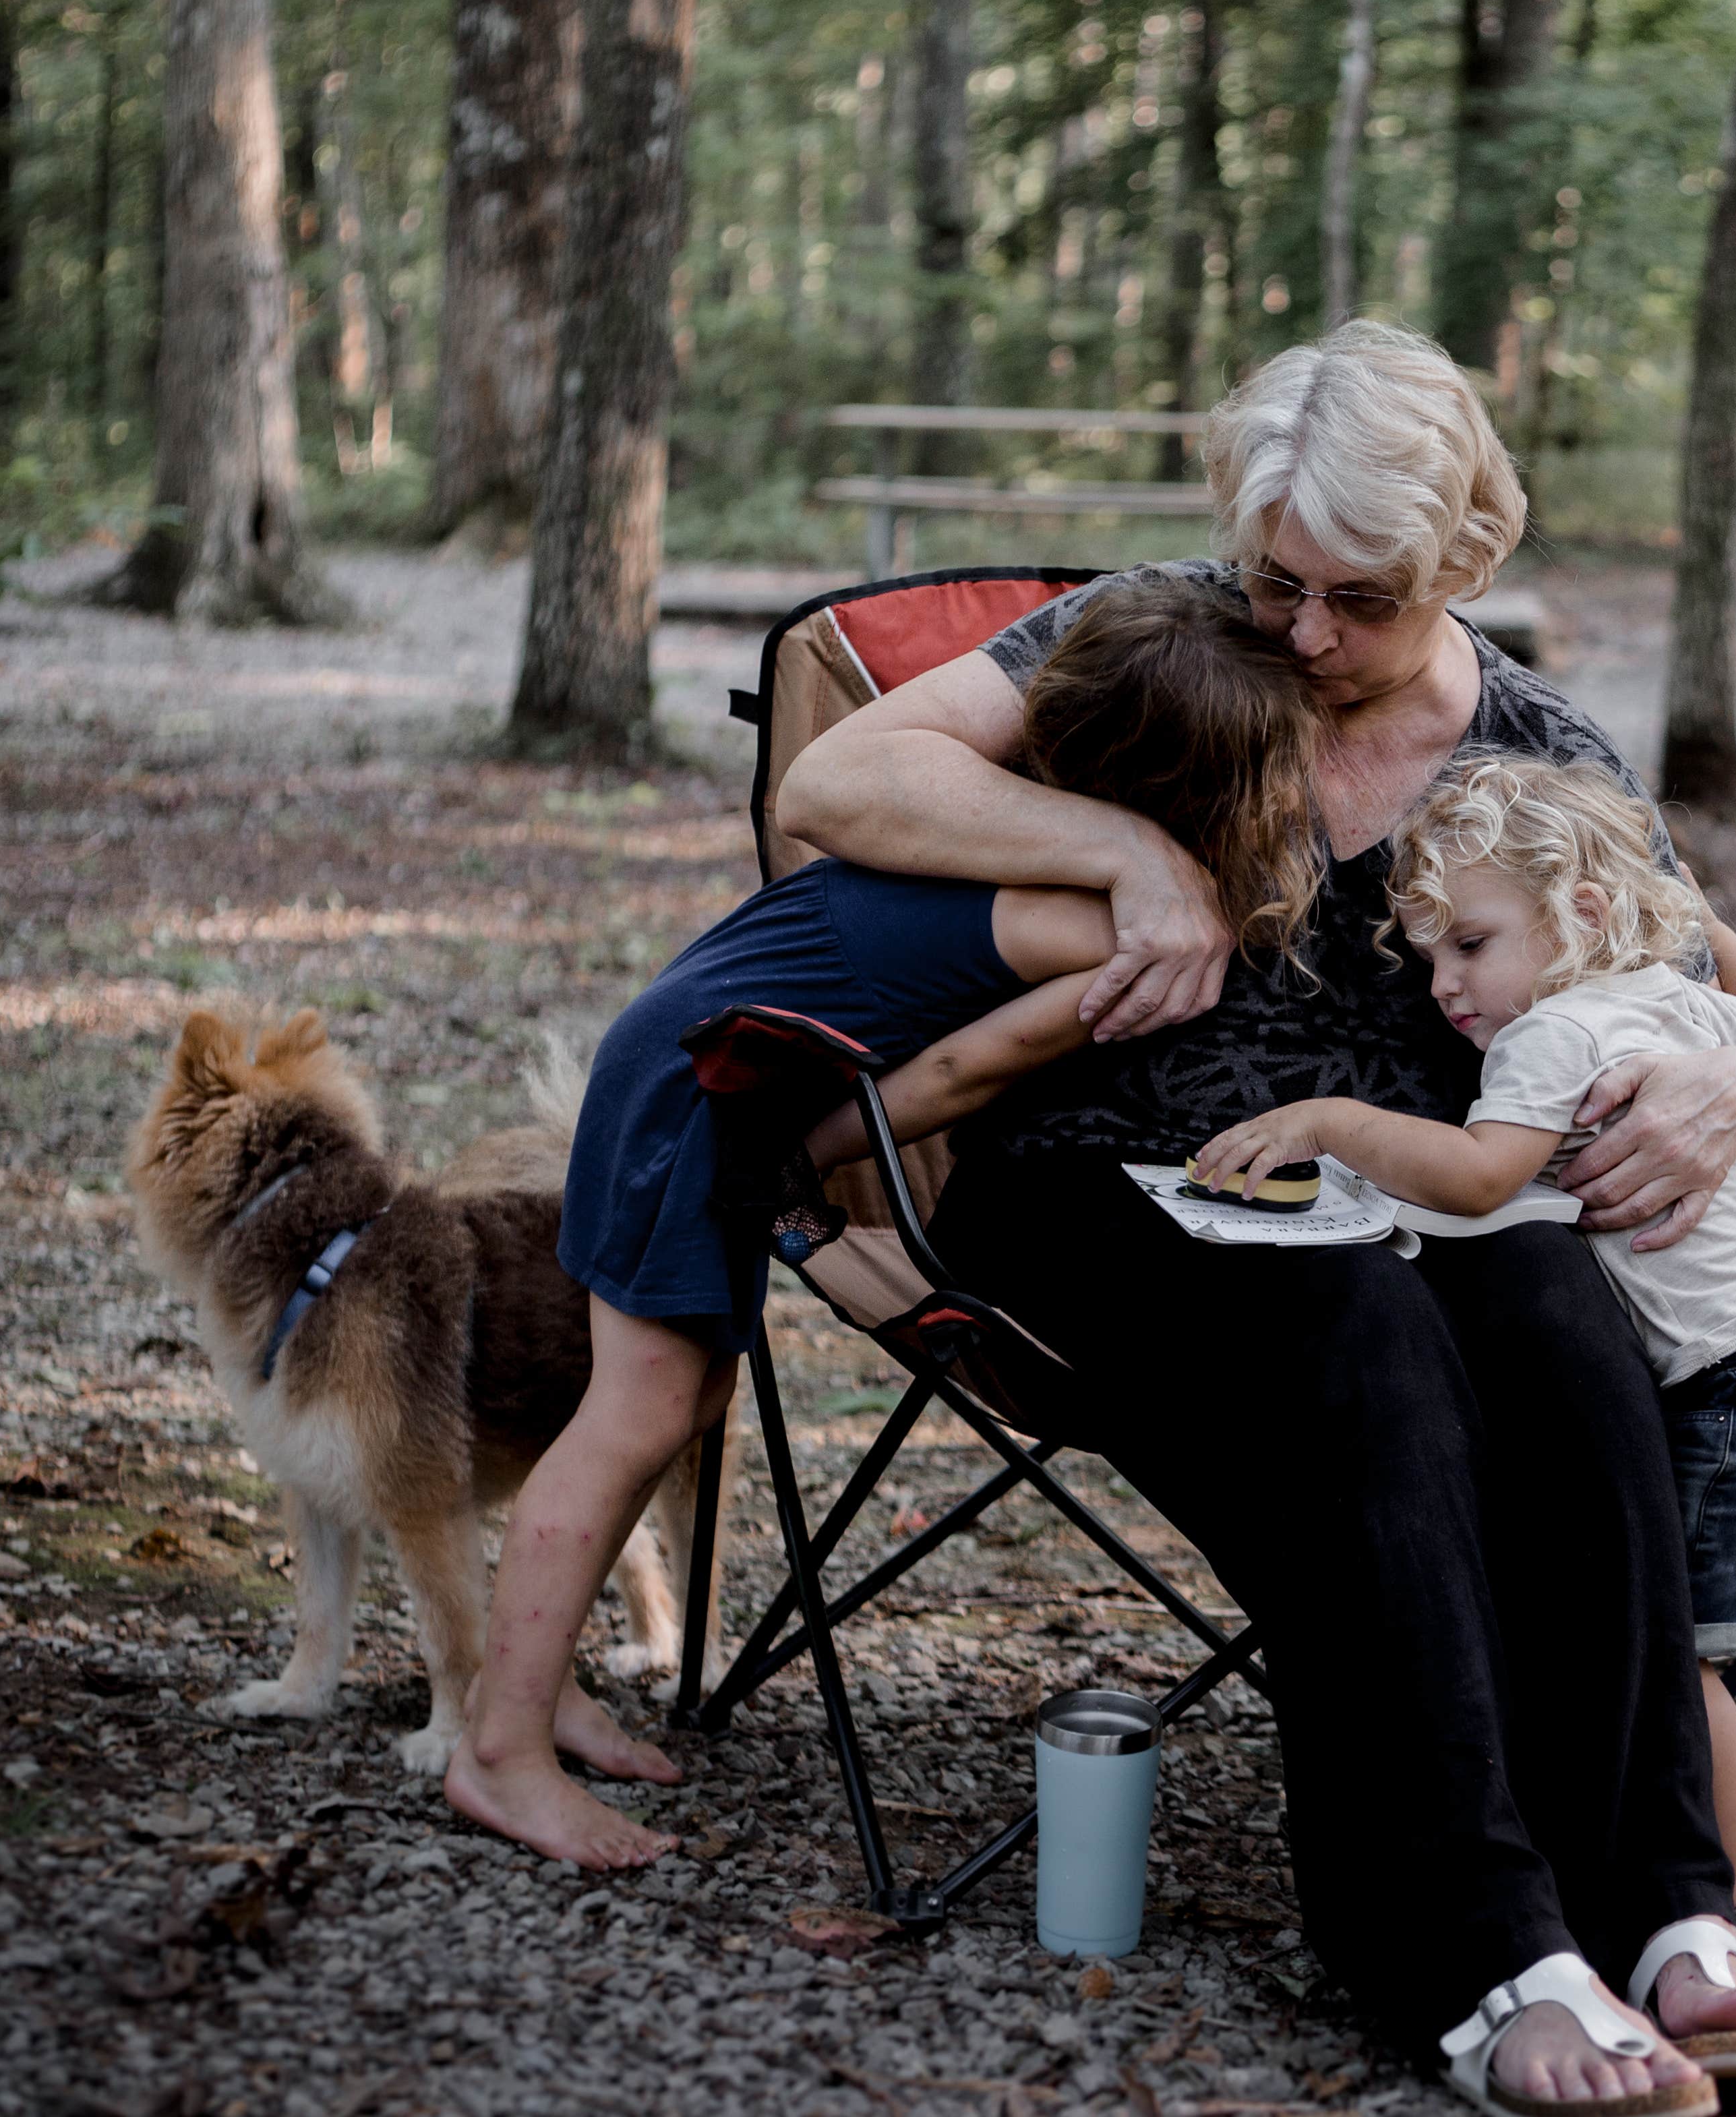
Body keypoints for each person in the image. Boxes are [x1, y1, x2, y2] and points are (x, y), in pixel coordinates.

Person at [777, 322, 1736, 2112]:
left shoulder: (1526, 743)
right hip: (1104, 1192)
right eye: (1284, 582)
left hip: (1414, 1203)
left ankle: (1665, 1910)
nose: (1310, 636)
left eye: (1364, 597)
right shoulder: (1160, 645)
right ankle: (1479, 1948)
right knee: (1363, 1333)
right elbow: (835, 785)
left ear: (1467, 562)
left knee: (1561, 1316)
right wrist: (1128, 853)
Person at [444, 579, 1327, 1870]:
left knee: (668, 1411)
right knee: (634, 1416)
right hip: (701, 1095)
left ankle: (526, 1691)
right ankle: (500, 1753)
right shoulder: (1080, 920)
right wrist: (805, 1161)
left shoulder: (1013, 835)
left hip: (688, 1066)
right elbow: (954, 1080)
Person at [1189, 755, 1736, 1977]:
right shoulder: (1670, 1001)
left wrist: (1326, 1122)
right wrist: (1683, 907)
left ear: (1579, 914)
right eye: (1430, 958)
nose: (1445, 987)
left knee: (1684, 1654)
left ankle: (1716, 1917)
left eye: (1470, 945)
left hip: (1715, 1390)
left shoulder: (1556, 1031)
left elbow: (1482, 1175)